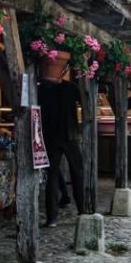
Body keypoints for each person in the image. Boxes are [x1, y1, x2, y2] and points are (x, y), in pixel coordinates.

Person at [38, 79, 84, 227]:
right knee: (77, 173)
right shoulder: (71, 86)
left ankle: (52, 218)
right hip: (69, 134)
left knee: (52, 176)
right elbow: (85, 102)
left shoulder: (42, 88)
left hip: (51, 135)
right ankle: (82, 211)